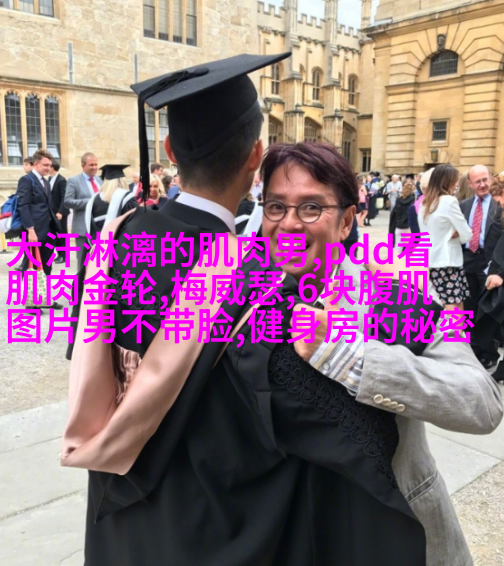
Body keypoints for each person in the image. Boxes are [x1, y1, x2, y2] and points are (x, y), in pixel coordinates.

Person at [63, 53, 428, 566]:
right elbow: (317, 420)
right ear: (257, 155)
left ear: (169, 150)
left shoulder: (115, 240)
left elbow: (96, 365)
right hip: (213, 531)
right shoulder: (256, 278)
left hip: (120, 523)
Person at [259, 141, 503, 566]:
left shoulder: (391, 298)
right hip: (286, 535)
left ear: (346, 221)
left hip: (393, 531)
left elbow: (481, 402)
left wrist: (350, 358)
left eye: (311, 208)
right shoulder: (245, 298)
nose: (289, 223)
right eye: (276, 207)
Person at [460, 164, 503, 368]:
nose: (482, 184)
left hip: (492, 263)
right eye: (477, 181)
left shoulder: (499, 203)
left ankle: (488, 352)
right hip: (468, 260)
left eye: (485, 179)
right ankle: (472, 349)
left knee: (486, 311)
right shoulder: (464, 205)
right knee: (468, 307)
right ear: (470, 184)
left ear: (491, 179)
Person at [418, 164, 472, 309]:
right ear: (447, 182)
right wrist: (456, 236)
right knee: (454, 305)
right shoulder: (449, 201)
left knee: (452, 303)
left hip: (431, 260)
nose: (457, 184)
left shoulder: (425, 203)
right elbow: (467, 234)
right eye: (455, 180)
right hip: (448, 262)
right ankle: (457, 326)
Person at [17, 149, 62, 309]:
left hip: (49, 230)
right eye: (45, 165)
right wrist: (30, 230)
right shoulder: (26, 180)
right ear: (35, 164)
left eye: (50, 165)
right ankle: (31, 303)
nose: (48, 168)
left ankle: (45, 298)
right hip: (34, 231)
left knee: (47, 265)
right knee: (32, 265)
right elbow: (23, 206)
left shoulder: (46, 182)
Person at [64, 152, 103, 266]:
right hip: (83, 230)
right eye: (91, 165)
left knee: (98, 263)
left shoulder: (100, 180)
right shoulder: (74, 180)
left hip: (99, 228)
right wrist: (90, 201)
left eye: (96, 164)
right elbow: (67, 201)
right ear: (83, 166)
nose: (94, 167)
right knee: (83, 262)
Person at [85, 164, 137, 240]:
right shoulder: (127, 197)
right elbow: (134, 222)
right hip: (121, 242)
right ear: (122, 180)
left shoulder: (94, 199)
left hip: (97, 242)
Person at [49, 160, 69, 264]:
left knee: (62, 234)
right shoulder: (49, 179)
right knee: (54, 234)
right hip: (52, 212)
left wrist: (61, 211)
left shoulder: (61, 180)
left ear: (52, 168)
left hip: (60, 213)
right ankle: (59, 253)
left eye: (48, 166)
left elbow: (64, 197)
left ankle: (64, 256)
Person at [388, 180, 416, 248]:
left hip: (399, 225)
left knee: (397, 248)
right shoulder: (413, 199)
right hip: (408, 227)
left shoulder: (398, 199)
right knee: (408, 248)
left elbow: (395, 212)